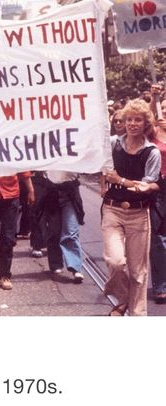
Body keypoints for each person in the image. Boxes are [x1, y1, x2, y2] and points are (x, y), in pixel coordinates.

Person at [102, 99, 160, 316]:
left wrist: (121, 180)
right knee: (115, 261)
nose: (132, 124)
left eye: (138, 120)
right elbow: (99, 165)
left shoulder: (151, 151)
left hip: (138, 213)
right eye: (129, 119)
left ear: (145, 123)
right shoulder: (112, 144)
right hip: (112, 210)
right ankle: (125, 298)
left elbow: (146, 186)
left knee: (138, 273)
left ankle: (138, 317)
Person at [0, 173, 34, 290]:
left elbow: (23, 169)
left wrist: (31, 190)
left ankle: (5, 275)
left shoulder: (12, 153)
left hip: (10, 196)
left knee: (8, 238)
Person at [37, 171, 85, 282]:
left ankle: (75, 267)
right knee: (54, 231)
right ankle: (55, 263)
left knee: (71, 231)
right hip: (52, 194)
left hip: (70, 194)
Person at [148, 88, 166, 303]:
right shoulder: (152, 133)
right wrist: (154, 98)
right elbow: (145, 121)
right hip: (157, 189)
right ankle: (161, 285)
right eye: (162, 110)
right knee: (159, 240)